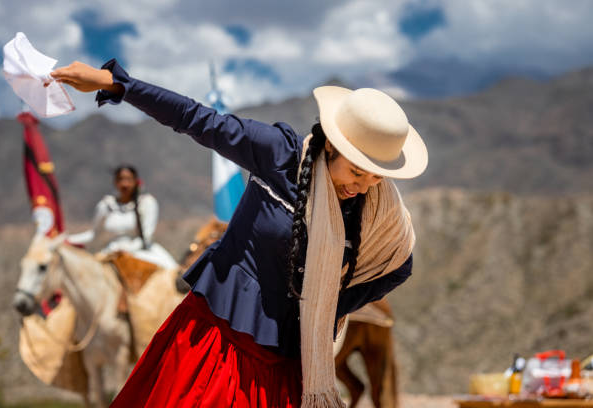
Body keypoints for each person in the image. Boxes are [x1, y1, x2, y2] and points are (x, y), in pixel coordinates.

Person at [51, 58, 428, 408]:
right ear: (331, 145)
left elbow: (400, 264)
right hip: (214, 339)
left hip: (283, 364)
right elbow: (199, 120)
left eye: (376, 176)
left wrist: (330, 304)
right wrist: (119, 85)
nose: (362, 186)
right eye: (356, 172)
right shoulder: (279, 154)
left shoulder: (375, 208)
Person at [68, 164, 177, 270]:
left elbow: (147, 235)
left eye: (129, 180)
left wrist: (127, 250)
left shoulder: (146, 203)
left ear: (135, 181)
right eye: (120, 179)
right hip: (112, 251)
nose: (125, 184)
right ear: (115, 182)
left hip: (141, 251)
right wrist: (68, 240)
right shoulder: (106, 205)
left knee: (170, 277)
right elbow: (94, 234)